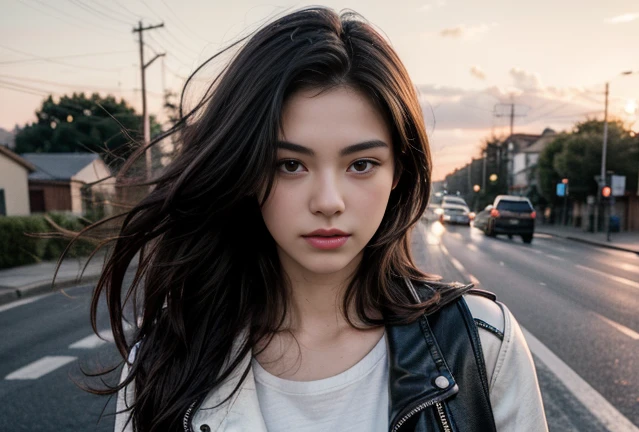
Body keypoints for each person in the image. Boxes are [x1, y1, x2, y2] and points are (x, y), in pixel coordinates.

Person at [70, 8, 548, 432]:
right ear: (246, 171)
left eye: (361, 164)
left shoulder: (480, 342)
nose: (328, 201)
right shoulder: (163, 362)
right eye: (289, 164)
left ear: (399, 172)